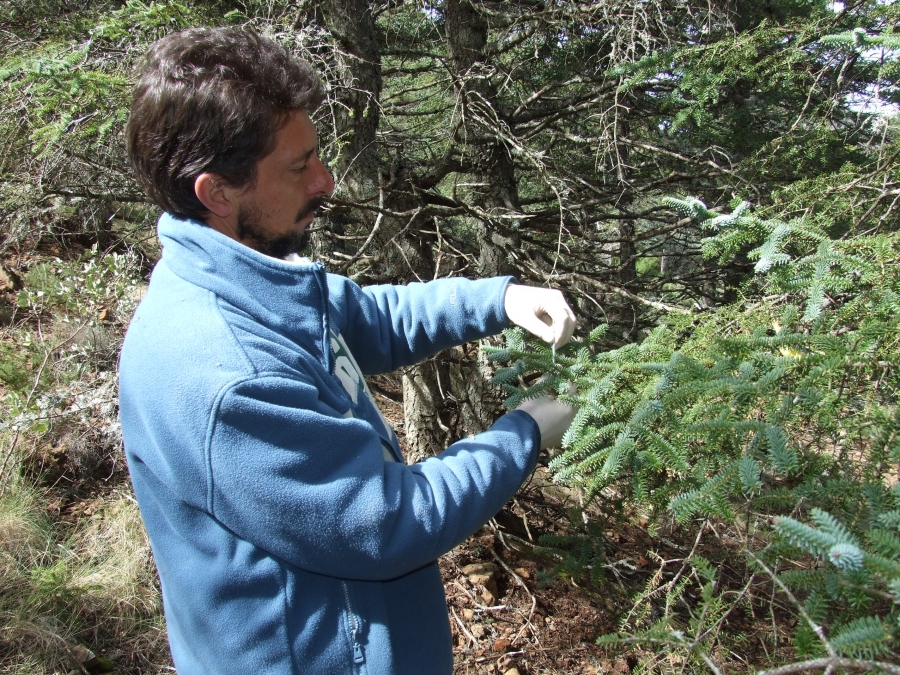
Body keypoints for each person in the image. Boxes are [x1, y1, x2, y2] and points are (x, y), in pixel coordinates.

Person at [119, 26, 577, 675]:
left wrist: (499, 300)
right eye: (297, 165)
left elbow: (370, 319)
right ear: (216, 192)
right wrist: (523, 434)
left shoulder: (254, 281)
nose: (325, 180)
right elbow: (387, 523)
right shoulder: (226, 374)